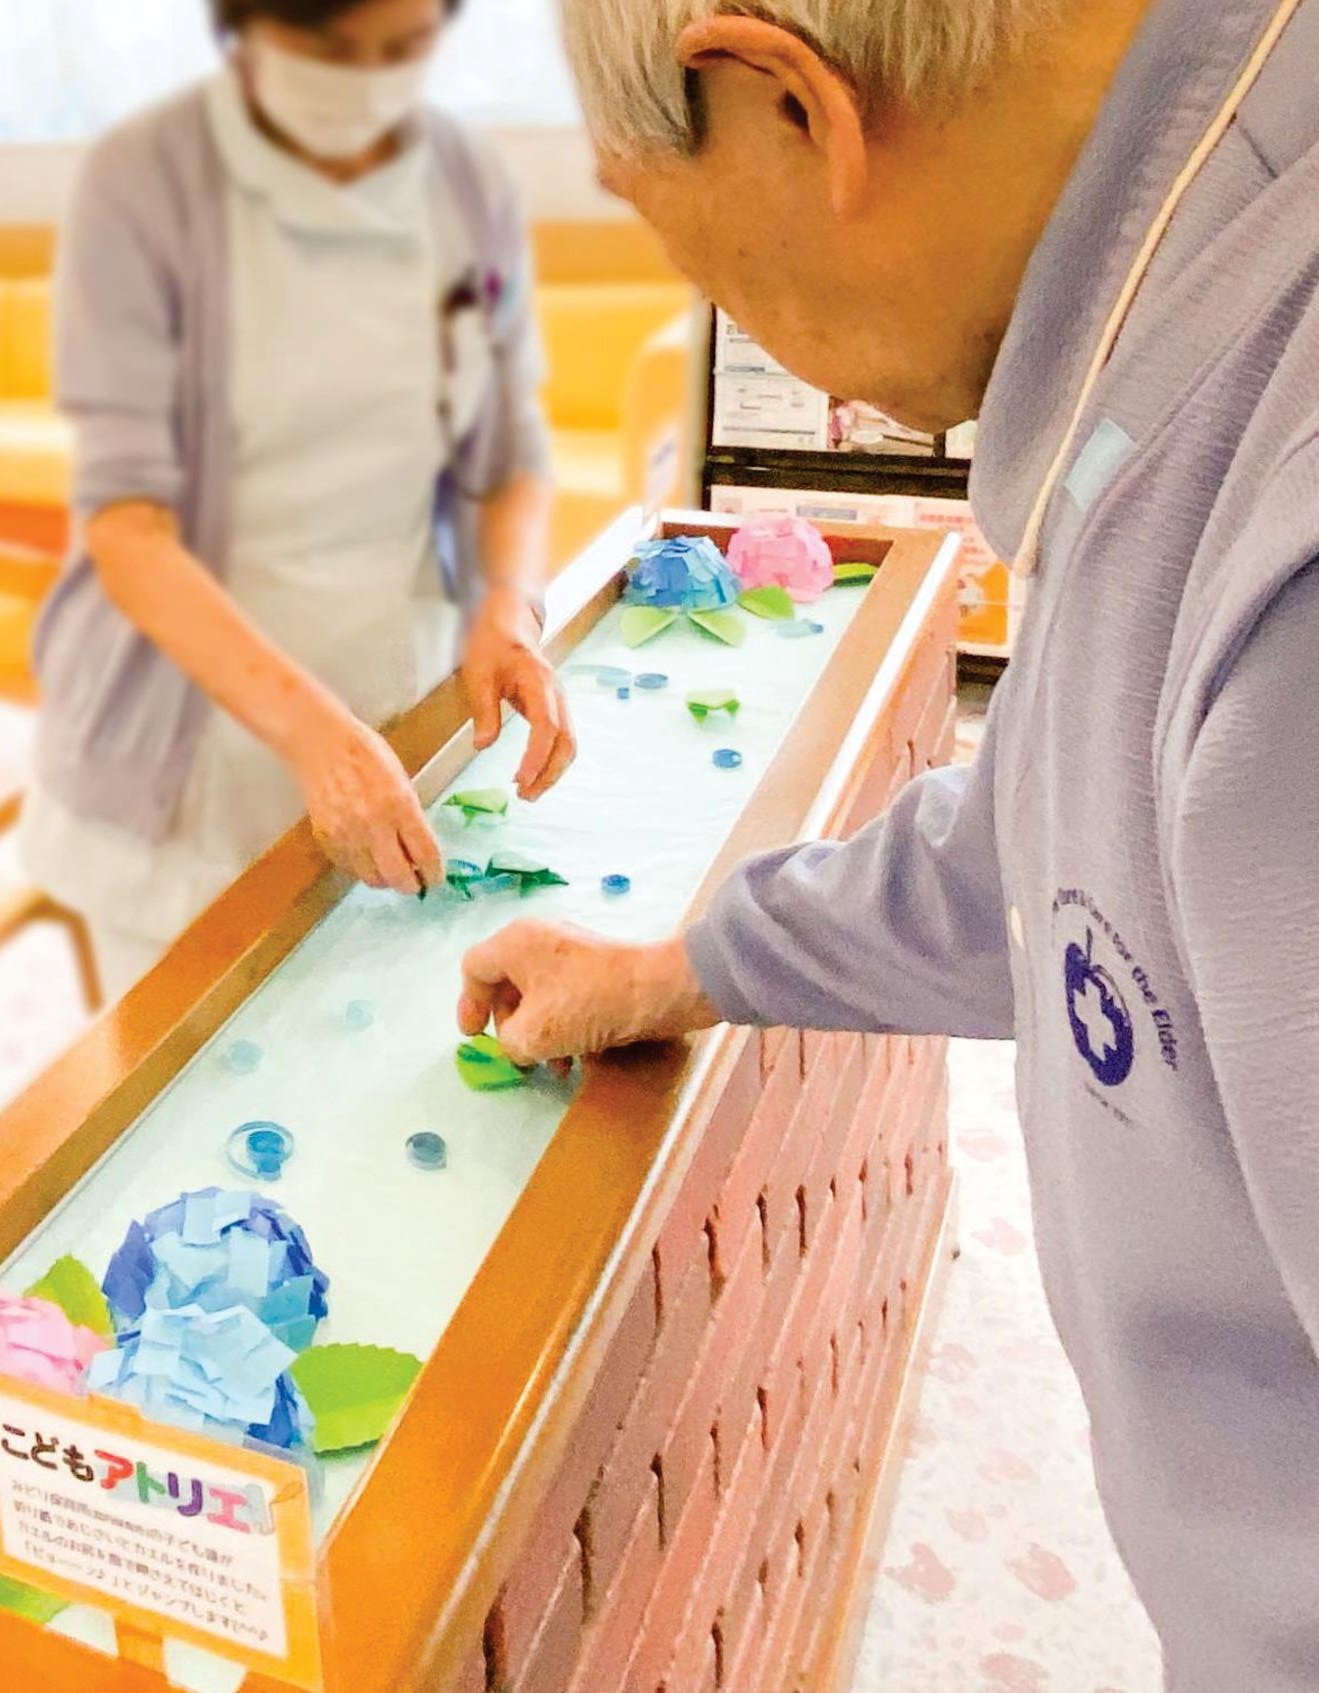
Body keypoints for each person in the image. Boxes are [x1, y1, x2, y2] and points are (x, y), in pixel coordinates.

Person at [459, 1, 1319, 1687]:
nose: (732, 322)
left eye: (675, 233)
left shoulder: (1279, 579)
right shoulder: (1177, 333)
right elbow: (1053, 847)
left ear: (786, 101)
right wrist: (678, 968)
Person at [24, 0, 572, 995]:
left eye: (403, 47)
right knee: (198, 1067)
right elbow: (129, 530)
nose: (365, 79)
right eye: (328, 47)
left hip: (397, 708)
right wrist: (316, 737)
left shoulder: (462, 181)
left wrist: (504, 605)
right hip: (195, 768)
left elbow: (506, 452)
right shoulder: (144, 186)